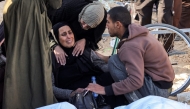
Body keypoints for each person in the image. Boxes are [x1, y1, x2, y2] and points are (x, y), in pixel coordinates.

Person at [86, 6, 175, 103]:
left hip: (158, 90)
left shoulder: (130, 46)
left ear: (118, 24)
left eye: (108, 22)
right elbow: (131, 58)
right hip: (164, 85)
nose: (106, 25)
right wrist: (102, 58)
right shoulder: (136, 32)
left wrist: (104, 89)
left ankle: (138, 104)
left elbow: (135, 81)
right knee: (114, 60)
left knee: (114, 62)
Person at [51, 22, 127, 108]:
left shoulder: (84, 50)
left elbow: (102, 66)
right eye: (63, 34)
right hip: (76, 100)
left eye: (70, 32)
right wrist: (72, 93)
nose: (69, 36)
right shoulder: (52, 59)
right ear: (57, 38)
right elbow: (51, 88)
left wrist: (121, 62)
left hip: (98, 89)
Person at [3, 0, 62, 108]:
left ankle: (14, 102)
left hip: (12, 8)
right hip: (31, 13)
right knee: (37, 65)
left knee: (16, 61)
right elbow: (56, 4)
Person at [48, 0, 107, 66]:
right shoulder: (67, 8)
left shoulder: (101, 20)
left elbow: (95, 38)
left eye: (88, 27)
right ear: (82, 13)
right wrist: (54, 45)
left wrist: (86, 41)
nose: (84, 27)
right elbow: (43, 30)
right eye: (84, 22)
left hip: (79, 46)